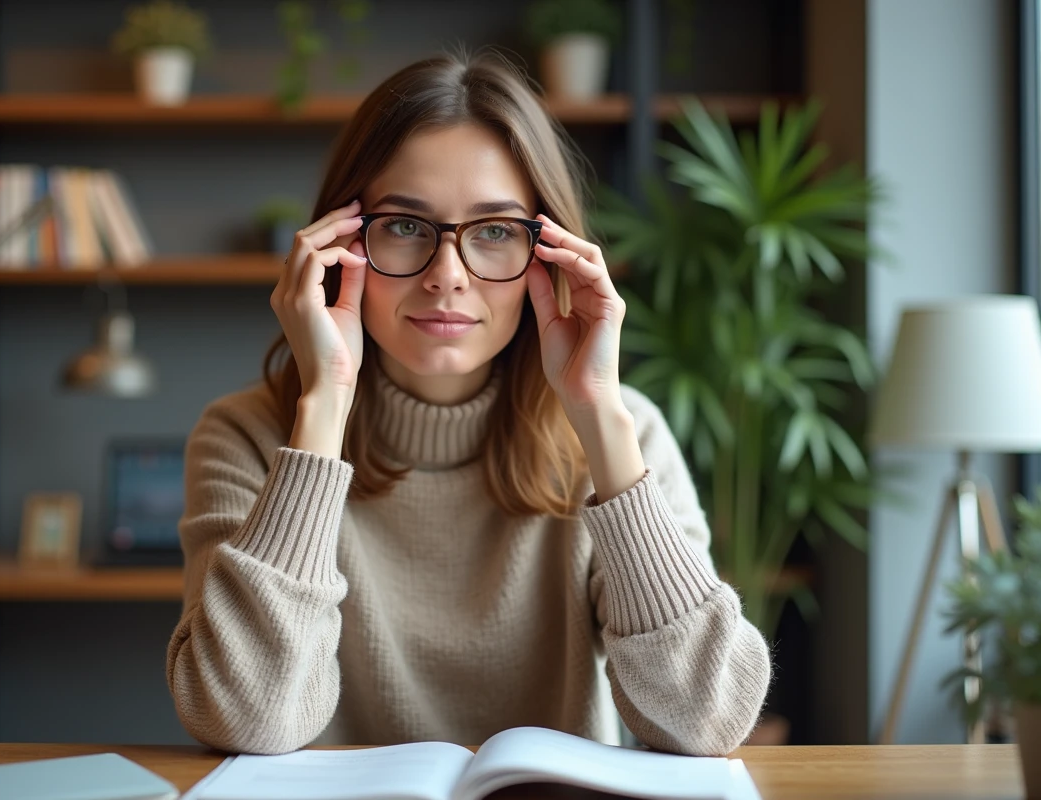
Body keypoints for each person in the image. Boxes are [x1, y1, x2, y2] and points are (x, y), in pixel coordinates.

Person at [166, 50, 771, 757]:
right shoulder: (246, 435)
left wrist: (600, 416)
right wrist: (323, 405)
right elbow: (245, 717)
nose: (447, 277)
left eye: (493, 232)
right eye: (404, 226)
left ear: (550, 256)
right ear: (339, 242)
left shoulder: (624, 431)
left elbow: (707, 721)